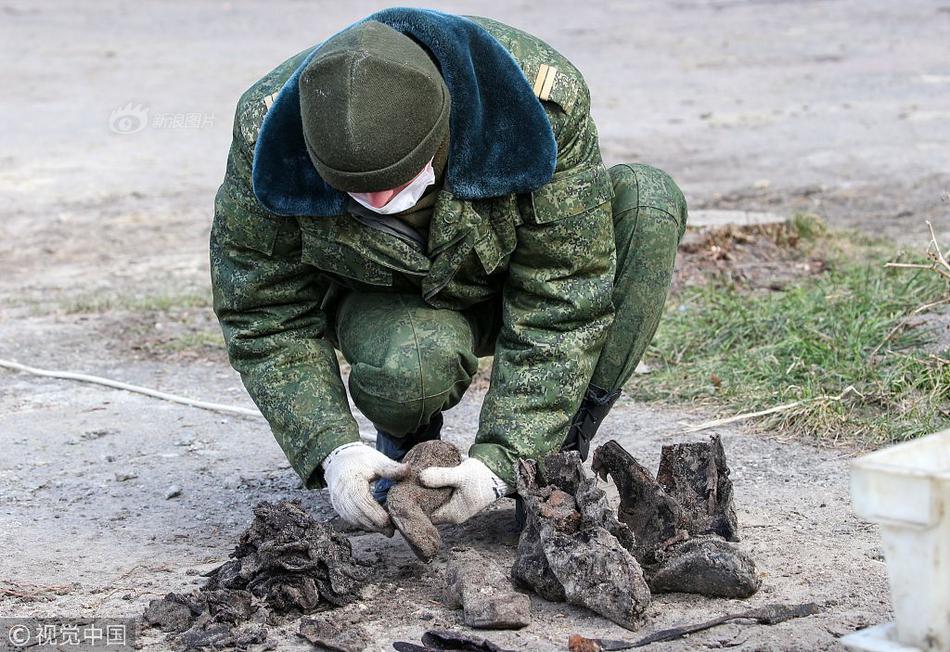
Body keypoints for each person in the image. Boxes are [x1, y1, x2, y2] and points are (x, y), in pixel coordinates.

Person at [211, 8, 687, 536]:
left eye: (395, 179)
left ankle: (554, 456)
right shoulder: (268, 129)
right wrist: (331, 447)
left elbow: (564, 292)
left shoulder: (534, 102)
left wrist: (509, 455)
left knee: (648, 201)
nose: (378, 199)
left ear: (443, 128)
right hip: (389, 303)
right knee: (410, 364)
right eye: (356, 189)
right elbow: (262, 309)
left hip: (507, 276)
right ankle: (406, 455)